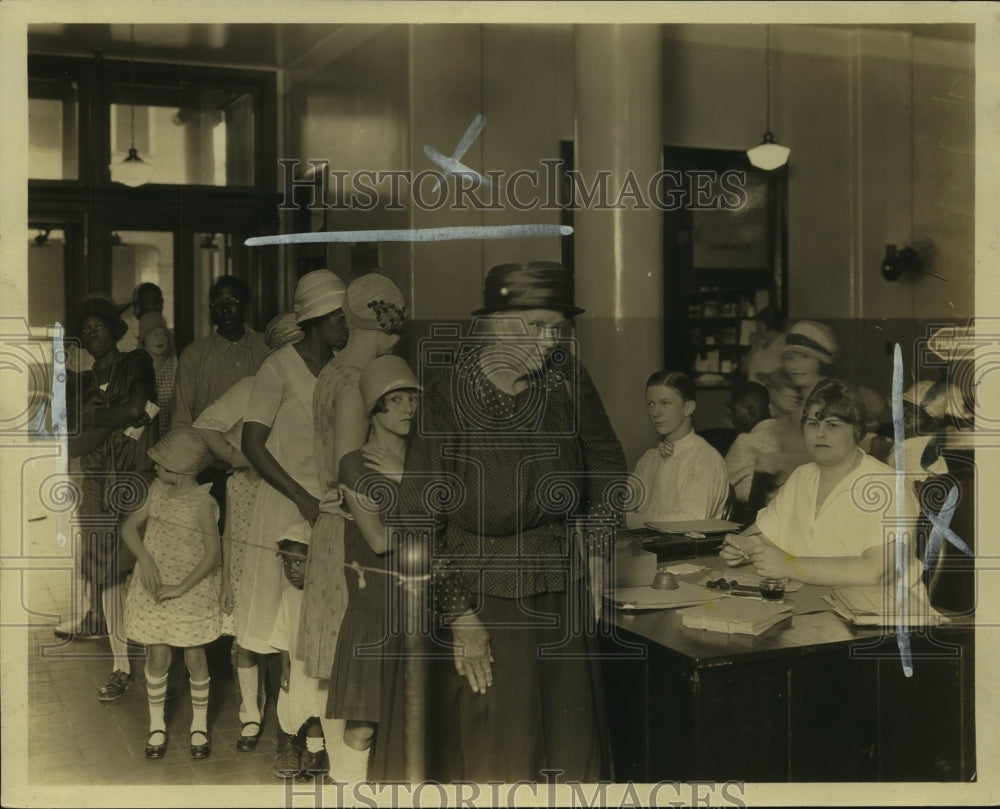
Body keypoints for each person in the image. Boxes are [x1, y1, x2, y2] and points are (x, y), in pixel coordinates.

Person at [388, 261, 627, 783]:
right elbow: (414, 522)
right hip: (481, 597)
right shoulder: (448, 396)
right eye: (535, 326)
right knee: (499, 747)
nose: (549, 340)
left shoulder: (566, 379)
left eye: (556, 327)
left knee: (568, 747)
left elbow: (607, 459)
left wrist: (599, 533)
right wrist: (459, 617)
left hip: (562, 588)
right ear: (494, 325)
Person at [236, 269, 348, 776]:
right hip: (287, 507)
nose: (347, 325)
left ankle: (318, 731)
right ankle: (289, 734)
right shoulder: (277, 368)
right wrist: (301, 498)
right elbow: (251, 443)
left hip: (330, 509)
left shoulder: (344, 369)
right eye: (339, 317)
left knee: (319, 627)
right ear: (316, 321)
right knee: (287, 630)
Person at [297, 272, 408, 780]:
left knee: (347, 684)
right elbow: (352, 473)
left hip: (339, 529)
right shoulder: (355, 385)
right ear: (389, 326)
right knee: (359, 687)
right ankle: (350, 782)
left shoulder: (335, 370)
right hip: (355, 534)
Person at [192, 312, 305, 754]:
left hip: (299, 502)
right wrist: (243, 459)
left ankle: (296, 719)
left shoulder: (319, 384)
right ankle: (260, 719)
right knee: (257, 620)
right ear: (274, 351)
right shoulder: (255, 386)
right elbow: (205, 423)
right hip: (260, 498)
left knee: (291, 614)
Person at [720, 379, 919, 587]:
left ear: (857, 430)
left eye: (833, 425)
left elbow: (874, 573)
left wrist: (789, 565)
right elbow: (763, 534)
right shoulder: (802, 476)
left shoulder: (888, 485)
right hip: (811, 603)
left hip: (880, 612)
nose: (820, 434)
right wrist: (742, 545)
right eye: (813, 424)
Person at [327, 355, 420, 786]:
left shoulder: (424, 460)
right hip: (376, 607)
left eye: (412, 398)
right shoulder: (354, 465)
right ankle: (348, 790)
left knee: (414, 725)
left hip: (422, 602)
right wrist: (418, 497)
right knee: (364, 726)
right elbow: (381, 540)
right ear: (374, 408)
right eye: (395, 400)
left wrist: (407, 479)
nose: (407, 408)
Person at [63, 293, 160, 704]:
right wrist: (116, 417)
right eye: (85, 329)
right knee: (106, 577)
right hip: (96, 486)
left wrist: (93, 419)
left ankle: (159, 664)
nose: (91, 333)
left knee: (145, 568)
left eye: (99, 326)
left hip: (136, 479)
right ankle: (121, 665)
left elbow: (139, 407)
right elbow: (71, 444)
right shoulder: (79, 382)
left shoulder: (136, 363)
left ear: (115, 331)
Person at [120, 427, 221, 760]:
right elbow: (129, 528)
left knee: (194, 656)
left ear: (185, 469)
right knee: (157, 657)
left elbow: (211, 555)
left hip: (189, 589)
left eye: (162, 466)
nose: (155, 470)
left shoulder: (203, 502)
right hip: (153, 587)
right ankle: (157, 725)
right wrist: (146, 560)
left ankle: (199, 726)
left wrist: (181, 586)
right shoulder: (157, 489)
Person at [625, 370, 730, 529]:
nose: (656, 413)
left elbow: (691, 521)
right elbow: (625, 505)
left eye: (665, 403)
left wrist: (631, 520)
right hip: (645, 548)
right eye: (650, 403)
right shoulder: (649, 458)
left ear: (688, 408)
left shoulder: (706, 459)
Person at [266, 520, 329, 781]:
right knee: (293, 706)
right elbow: (282, 635)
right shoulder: (289, 596)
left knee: (316, 708)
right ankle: (290, 748)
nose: (292, 570)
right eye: (287, 563)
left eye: (299, 563)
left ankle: (316, 754)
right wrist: (285, 667)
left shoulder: (325, 595)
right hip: (296, 667)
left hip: (318, 668)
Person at [171, 275, 268, 429]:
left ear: (246, 304)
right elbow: (181, 421)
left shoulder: (267, 349)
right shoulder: (193, 356)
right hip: (208, 450)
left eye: (231, 302)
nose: (225, 310)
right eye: (217, 304)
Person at [724, 381, 781, 510]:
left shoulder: (746, 441)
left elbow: (716, 484)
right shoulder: (786, 434)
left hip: (748, 518)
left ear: (752, 412)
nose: (731, 418)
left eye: (734, 411)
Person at [139, 311, 177, 434]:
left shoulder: (175, 366)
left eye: (164, 334)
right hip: (142, 438)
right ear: (143, 339)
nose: (160, 338)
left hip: (169, 436)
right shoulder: (134, 367)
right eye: (155, 334)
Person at [119, 282, 165, 354]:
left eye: (160, 302)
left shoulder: (162, 327)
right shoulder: (123, 329)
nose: (159, 307)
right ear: (137, 304)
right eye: (154, 302)